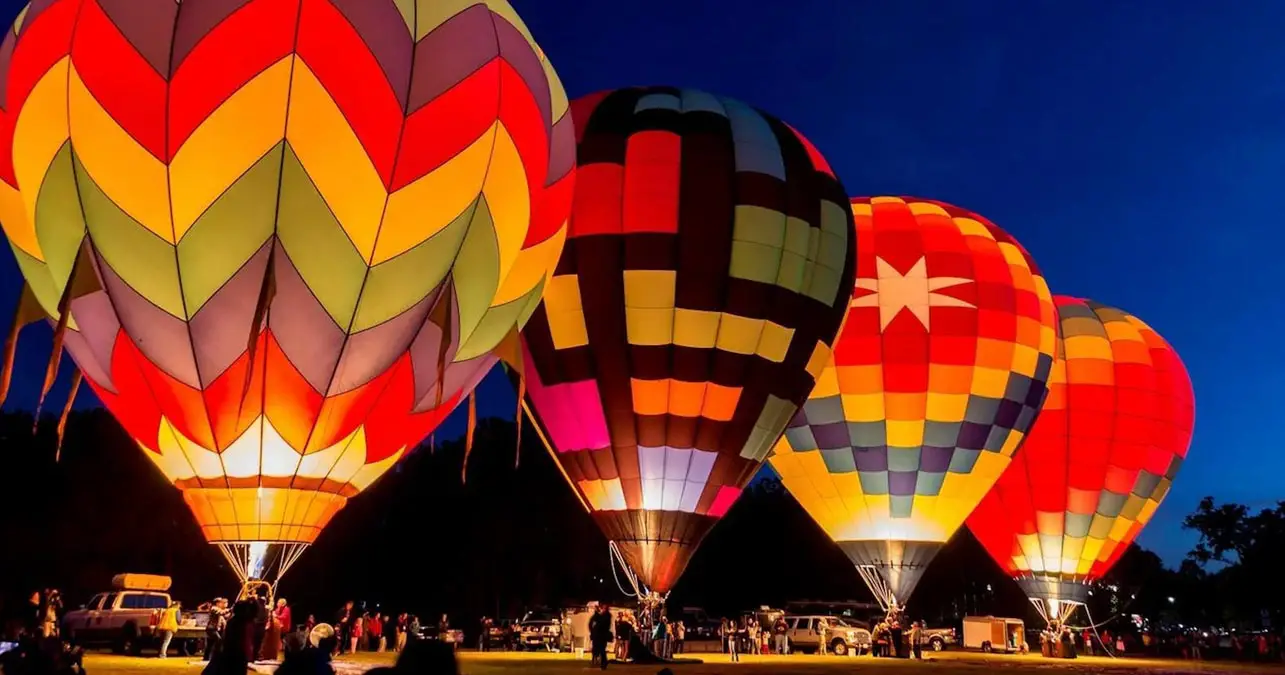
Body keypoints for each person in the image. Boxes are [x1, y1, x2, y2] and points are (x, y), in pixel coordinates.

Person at [588, 605, 612, 670]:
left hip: (602, 635)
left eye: (603, 608)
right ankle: (603, 662)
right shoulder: (603, 616)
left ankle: (604, 662)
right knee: (600, 649)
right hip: (599, 635)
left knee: (601, 649)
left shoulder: (606, 616)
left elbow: (601, 623)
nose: (602, 610)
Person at [204, 598, 228, 662]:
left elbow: (224, 615)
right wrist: (230, 609)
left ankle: (206, 658)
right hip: (211, 629)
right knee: (219, 641)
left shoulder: (218, 609)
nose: (222, 603)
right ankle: (216, 656)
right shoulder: (214, 608)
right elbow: (221, 612)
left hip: (214, 629)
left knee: (210, 644)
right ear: (217, 603)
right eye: (220, 602)